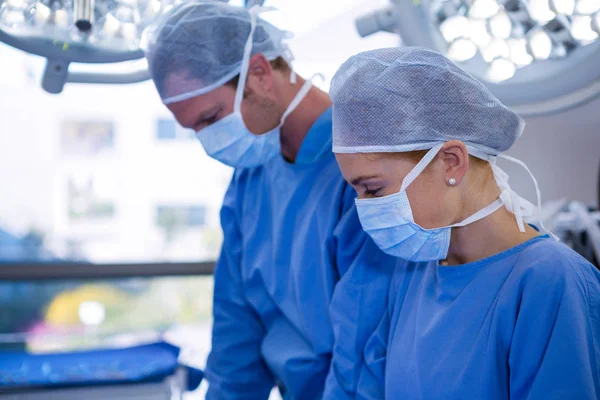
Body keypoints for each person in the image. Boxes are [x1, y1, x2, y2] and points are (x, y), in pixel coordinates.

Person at [142, 1, 396, 398]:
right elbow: (236, 332)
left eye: (211, 119)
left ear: (259, 72)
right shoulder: (250, 180)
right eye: (193, 129)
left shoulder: (366, 169)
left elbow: (368, 346)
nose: (208, 142)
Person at [325, 46, 600, 399]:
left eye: (374, 190)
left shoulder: (549, 282)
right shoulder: (413, 275)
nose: (364, 209)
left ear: (452, 162)